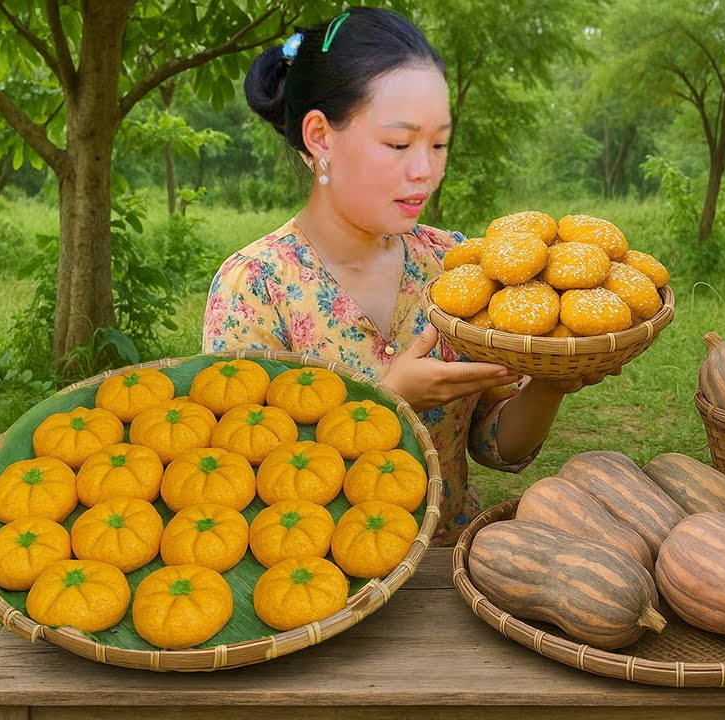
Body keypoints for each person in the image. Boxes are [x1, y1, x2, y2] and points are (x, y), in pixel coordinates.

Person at [202, 6, 614, 542]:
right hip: (322, 585)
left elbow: (496, 445)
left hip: (453, 573)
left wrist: (549, 386)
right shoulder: (255, 290)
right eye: (399, 144)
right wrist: (388, 402)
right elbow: (243, 491)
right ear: (321, 137)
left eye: (438, 144)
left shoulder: (459, 266)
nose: (425, 170)